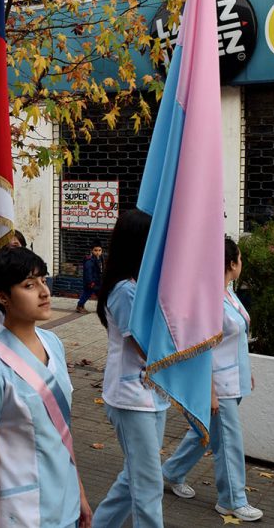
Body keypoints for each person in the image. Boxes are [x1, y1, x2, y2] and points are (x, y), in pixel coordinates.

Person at [0, 246, 92, 528]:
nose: (44, 292)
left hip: (66, 504)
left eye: (43, 281)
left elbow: (61, 432)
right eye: (29, 285)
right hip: (23, 514)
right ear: (2, 297)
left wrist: (81, 495)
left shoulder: (54, 344)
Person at [162, 238, 263, 522]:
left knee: (202, 432)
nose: (242, 264)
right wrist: (210, 392)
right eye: (240, 259)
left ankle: (170, 472)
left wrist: (247, 371)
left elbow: (237, 337)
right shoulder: (208, 299)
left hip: (235, 379)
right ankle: (231, 500)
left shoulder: (228, 293)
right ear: (232, 263)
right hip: (218, 385)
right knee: (228, 442)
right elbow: (201, 349)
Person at [91, 210, 169, 528]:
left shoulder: (139, 284)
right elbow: (147, 347)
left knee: (134, 476)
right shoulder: (124, 290)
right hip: (130, 397)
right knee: (148, 485)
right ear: (139, 244)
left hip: (153, 395)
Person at [76, 242, 104, 313]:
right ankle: (79, 306)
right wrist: (90, 282)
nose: (98, 252)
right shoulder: (89, 260)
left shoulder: (100, 259)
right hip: (91, 282)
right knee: (87, 294)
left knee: (100, 294)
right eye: (95, 250)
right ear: (92, 250)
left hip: (98, 281)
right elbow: (88, 273)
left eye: (99, 250)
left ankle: (102, 308)